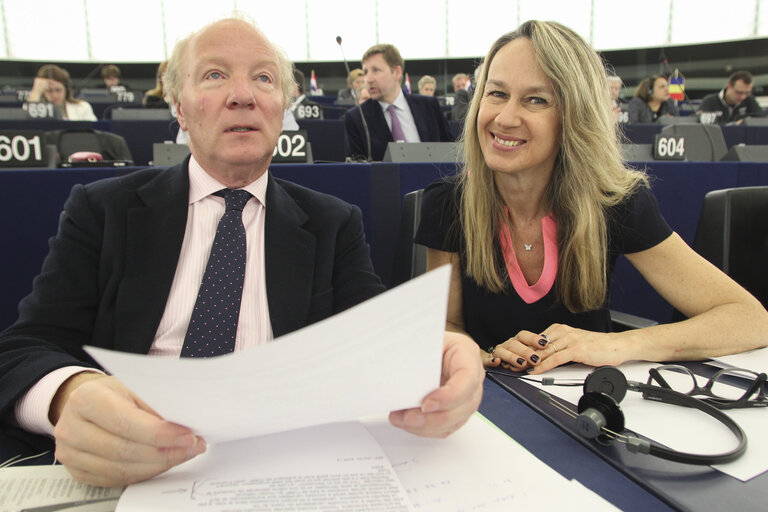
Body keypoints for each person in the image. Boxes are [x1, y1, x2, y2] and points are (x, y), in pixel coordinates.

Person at [0, 15, 483, 487]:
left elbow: (373, 338)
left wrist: (433, 354)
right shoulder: (103, 211)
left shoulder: (333, 223)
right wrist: (69, 394)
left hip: (288, 471)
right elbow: (23, 347)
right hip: (135, 469)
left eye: (263, 78)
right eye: (214, 75)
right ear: (179, 107)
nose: (242, 95)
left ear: (282, 106)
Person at [415, 20, 768, 376]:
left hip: (590, 408)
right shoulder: (448, 204)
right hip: (486, 407)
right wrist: (484, 355)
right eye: (496, 94)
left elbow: (751, 319)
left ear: (574, 116)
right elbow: (446, 326)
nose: (505, 118)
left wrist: (616, 345)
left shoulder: (616, 203)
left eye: (536, 100)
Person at [344, 43, 453, 161]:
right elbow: (357, 169)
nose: (368, 79)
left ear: (396, 72)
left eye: (376, 70)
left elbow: (452, 151)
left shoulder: (429, 106)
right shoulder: (357, 117)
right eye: (366, 72)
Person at [27, 64, 97, 121]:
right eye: (49, 91)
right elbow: (29, 125)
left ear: (66, 89)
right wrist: (36, 92)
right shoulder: (39, 110)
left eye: (58, 90)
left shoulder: (82, 107)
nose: (54, 95)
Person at [697, 70, 765, 125]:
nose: (743, 97)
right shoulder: (710, 101)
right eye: (739, 92)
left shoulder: (749, 100)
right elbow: (703, 125)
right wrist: (734, 125)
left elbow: (761, 120)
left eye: (747, 93)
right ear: (729, 86)